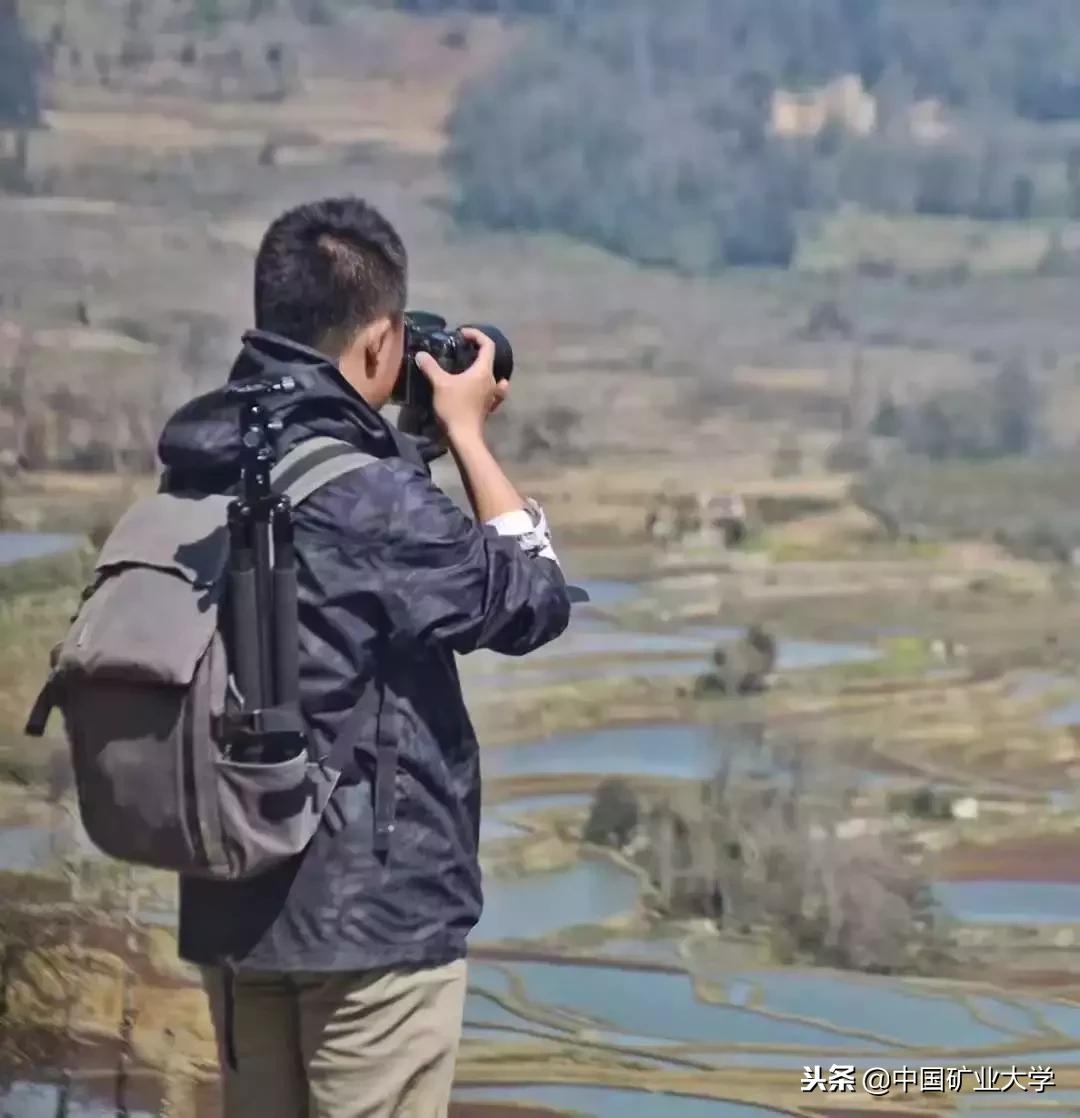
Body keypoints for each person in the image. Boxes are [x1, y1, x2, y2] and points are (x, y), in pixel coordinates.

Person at [156, 197, 571, 1117]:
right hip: (373, 925)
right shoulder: (373, 501)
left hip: (230, 901)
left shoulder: (205, 459)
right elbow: (532, 603)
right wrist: (463, 431)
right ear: (382, 342)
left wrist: (397, 445)